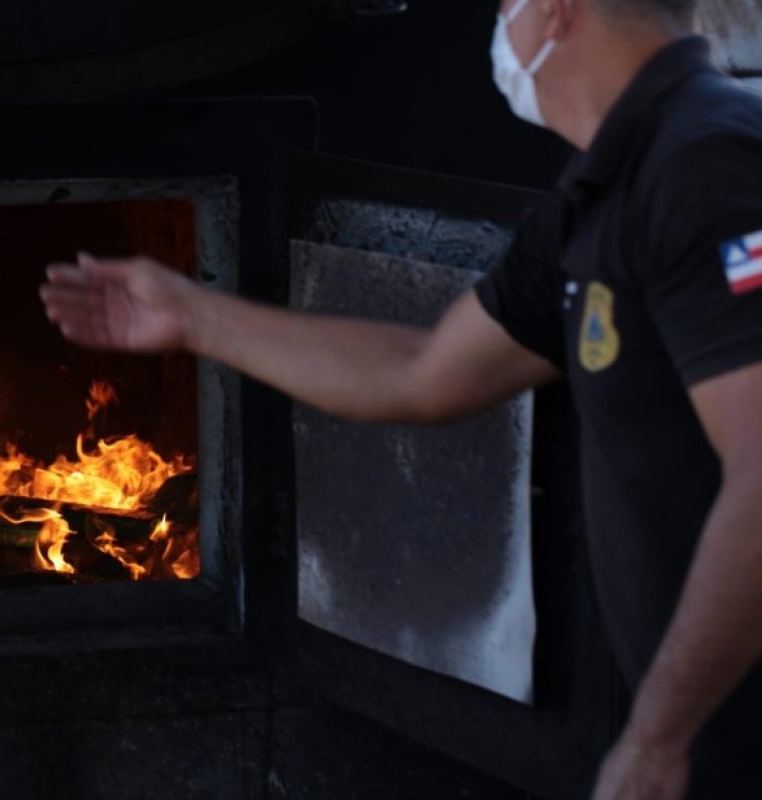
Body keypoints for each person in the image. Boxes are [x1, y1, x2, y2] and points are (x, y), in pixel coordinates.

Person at [40, 0, 762, 797]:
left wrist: (659, 739)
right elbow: (423, 373)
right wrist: (194, 316)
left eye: (507, 6)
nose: (498, 28)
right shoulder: (598, 193)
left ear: (558, 11)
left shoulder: (711, 160)